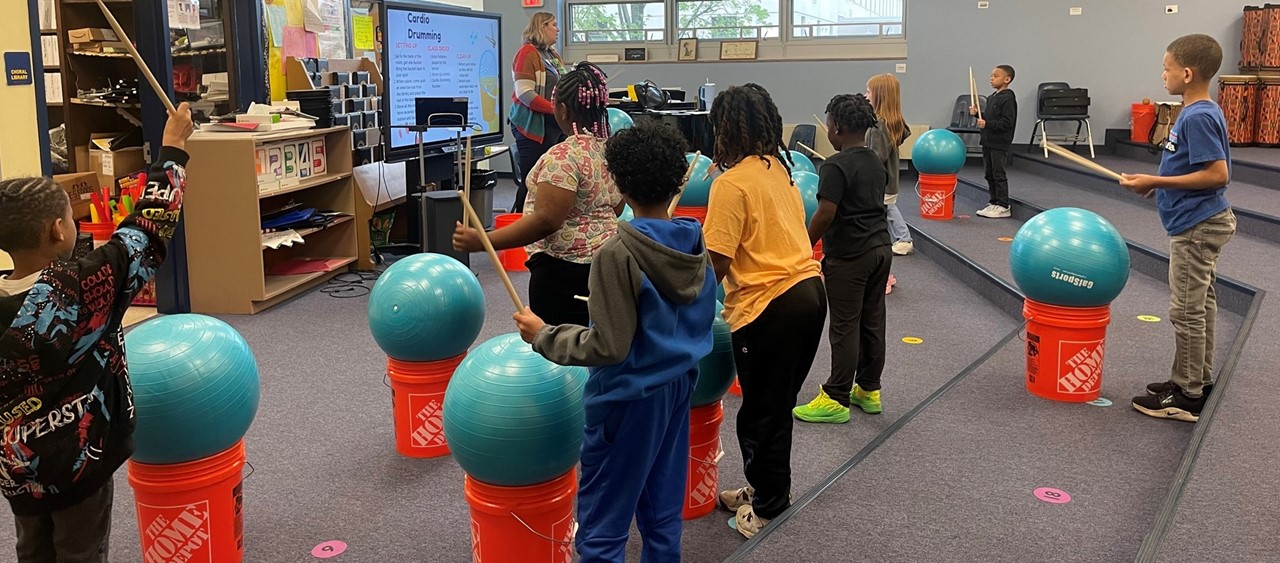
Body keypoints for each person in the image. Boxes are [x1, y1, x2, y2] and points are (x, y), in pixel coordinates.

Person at [513, 121, 716, 562]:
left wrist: (543, 334)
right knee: (662, 514)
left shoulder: (616, 254)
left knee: (603, 523)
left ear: (618, 183)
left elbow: (609, 346)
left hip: (627, 398)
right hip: (678, 387)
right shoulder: (695, 239)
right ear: (679, 180)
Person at [0, 103, 194, 563]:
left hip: (15, 468)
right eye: (71, 216)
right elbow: (147, 229)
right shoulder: (81, 287)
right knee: (81, 549)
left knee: (32, 546)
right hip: (79, 462)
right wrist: (174, 148)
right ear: (56, 229)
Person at [703, 84, 827, 539]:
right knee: (772, 408)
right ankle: (762, 487)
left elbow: (715, 262)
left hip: (772, 307)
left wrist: (680, 307)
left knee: (762, 414)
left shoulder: (730, 184)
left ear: (727, 130)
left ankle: (771, 503)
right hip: (810, 295)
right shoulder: (780, 170)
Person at [455, 62, 622, 328]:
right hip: (608, 264)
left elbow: (546, 221)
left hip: (563, 274)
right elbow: (617, 207)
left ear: (563, 110)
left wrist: (484, 241)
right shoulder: (612, 152)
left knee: (558, 352)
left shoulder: (563, 157)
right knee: (595, 342)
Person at [1121, 34, 1234, 423]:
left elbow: (1217, 174)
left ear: (1186, 73)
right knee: (1200, 306)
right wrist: (1159, 186)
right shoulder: (1194, 111)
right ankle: (1195, 380)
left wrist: (1157, 183)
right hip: (1195, 218)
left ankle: (1187, 396)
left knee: (1186, 310)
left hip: (1197, 226)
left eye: (1167, 67)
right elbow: (1187, 166)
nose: (1163, 74)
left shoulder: (1199, 115)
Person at [793, 94, 892, 425]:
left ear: (836, 127)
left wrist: (803, 245)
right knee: (872, 320)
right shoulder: (874, 160)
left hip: (850, 256)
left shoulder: (834, 166)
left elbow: (825, 213)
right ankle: (868, 389)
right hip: (881, 249)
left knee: (844, 325)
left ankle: (836, 396)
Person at [510, 11, 568, 212]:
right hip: (532, 126)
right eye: (553, 25)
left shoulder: (552, 54)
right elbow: (525, 94)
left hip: (553, 124)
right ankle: (518, 225)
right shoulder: (527, 53)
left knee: (552, 179)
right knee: (531, 180)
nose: (558, 29)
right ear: (542, 27)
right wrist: (555, 110)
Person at [866, 74, 913, 296]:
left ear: (880, 95)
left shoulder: (878, 125)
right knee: (880, 233)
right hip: (889, 185)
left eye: (868, 91)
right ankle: (883, 274)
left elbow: (874, 158)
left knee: (876, 236)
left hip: (878, 187)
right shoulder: (894, 121)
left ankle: (881, 276)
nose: (866, 96)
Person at [970, 65, 1017, 218]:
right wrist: (978, 114)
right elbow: (988, 119)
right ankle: (994, 202)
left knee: (998, 174)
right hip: (988, 141)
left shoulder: (1008, 98)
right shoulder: (992, 97)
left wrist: (987, 124)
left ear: (1007, 79)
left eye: (995, 76)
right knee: (989, 174)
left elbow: (1006, 122)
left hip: (999, 142)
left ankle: (1003, 205)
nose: (991, 78)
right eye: (991, 76)